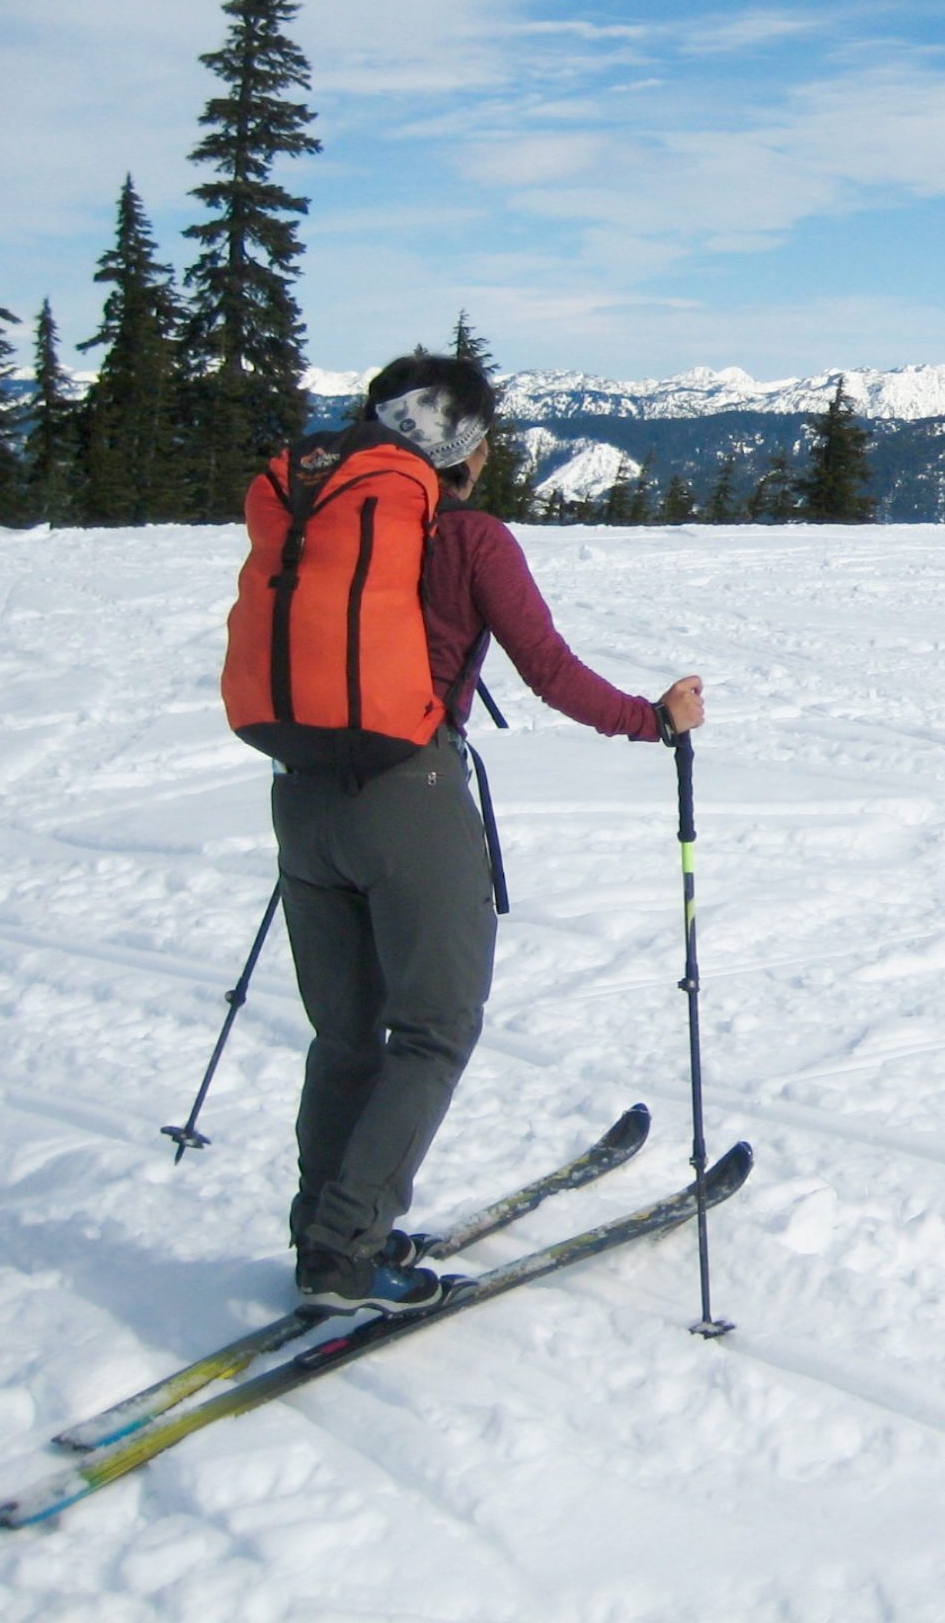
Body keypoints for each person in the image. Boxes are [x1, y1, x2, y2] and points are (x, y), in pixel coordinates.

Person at [273, 349, 703, 1313]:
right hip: (409, 796)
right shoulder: (470, 538)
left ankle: (325, 1228)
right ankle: (348, 1249)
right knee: (433, 1028)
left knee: (345, 1036)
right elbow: (547, 668)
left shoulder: (319, 515)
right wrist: (656, 718)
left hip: (300, 794)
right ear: (464, 447)